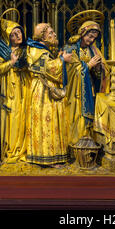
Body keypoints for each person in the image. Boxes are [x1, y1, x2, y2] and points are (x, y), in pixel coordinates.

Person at [26, 23, 73, 167]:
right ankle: (48, 157)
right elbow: (48, 68)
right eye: (50, 33)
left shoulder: (41, 50)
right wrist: (62, 60)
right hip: (42, 91)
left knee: (51, 120)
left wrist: (58, 59)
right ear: (43, 36)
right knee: (46, 120)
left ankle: (51, 156)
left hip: (44, 88)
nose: (54, 35)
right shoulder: (36, 51)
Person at [64, 10, 110, 147]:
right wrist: (88, 66)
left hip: (90, 88)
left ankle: (89, 144)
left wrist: (98, 69)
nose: (91, 40)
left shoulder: (93, 50)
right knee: (78, 117)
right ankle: (76, 146)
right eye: (89, 36)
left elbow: (104, 70)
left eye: (94, 38)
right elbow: (70, 71)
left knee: (89, 119)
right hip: (76, 92)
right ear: (82, 33)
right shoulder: (71, 48)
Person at [0, 11, 29, 163]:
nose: (18, 36)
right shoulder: (2, 52)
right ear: (8, 37)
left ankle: (24, 150)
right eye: (13, 34)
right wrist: (11, 63)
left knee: (24, 119)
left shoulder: (26, 50)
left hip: (25, 89)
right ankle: (11, 151)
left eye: (19, 32)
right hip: (10, 92)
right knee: (13, 120)